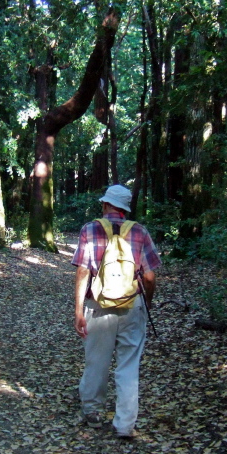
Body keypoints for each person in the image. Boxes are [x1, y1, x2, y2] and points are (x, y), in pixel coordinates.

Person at [72, 184, 161, 439]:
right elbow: (150, 276)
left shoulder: (90, 229)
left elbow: (82, 271)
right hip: (132, 305)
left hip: (98, 306)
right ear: (125, 209)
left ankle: (92, 412)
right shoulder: (140, 232)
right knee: (129, 365)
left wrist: (78, 310)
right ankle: (124, 425)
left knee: (96, 362)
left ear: (105, 205)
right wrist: (147, 304)